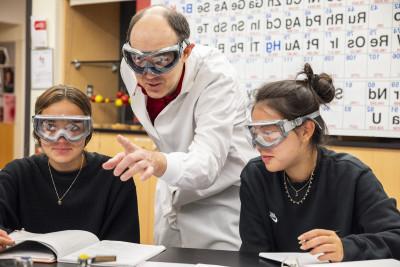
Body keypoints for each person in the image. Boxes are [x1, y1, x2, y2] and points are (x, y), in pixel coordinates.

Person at [103, 5, 256, 250]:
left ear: (186, 52)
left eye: (162, 60)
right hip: (171, 186)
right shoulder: (129, 69)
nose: (148, 73)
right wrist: (160, 163)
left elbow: (207, 164)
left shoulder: (216, 77)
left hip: (221, 195)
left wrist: (159, 162)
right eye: (138, 59)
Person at [239, 63, 400, 261]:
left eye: (270, 133)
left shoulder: (352, 175)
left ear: (306, 131)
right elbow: (253, 255)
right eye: (255, 133)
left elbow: (396, 237)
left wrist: (346, 248)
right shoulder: (256, 176)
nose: (259, 145)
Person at [0, 85, 140, 249]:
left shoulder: (115, 176)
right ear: (37, 130)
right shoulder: (17, 174)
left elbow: (126, 249)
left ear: (88, 130)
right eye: (50, 127)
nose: (61, 139)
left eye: (74, 128)